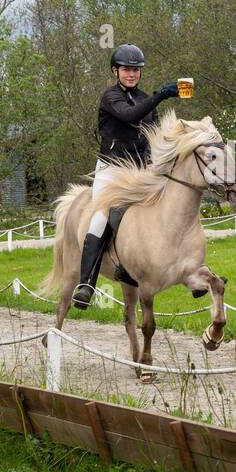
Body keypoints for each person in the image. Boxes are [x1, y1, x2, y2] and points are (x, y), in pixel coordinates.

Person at [72, 43, 179, 309]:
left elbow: (152, 132)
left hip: (137, 171)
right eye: (126, 70)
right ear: (115, 71)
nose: (131, 74)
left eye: (136, 70)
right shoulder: (110, 97)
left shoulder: (145, 98)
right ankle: (86, 284)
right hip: (110, 171)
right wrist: (160, 96)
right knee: (101, 217)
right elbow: (129, 115)